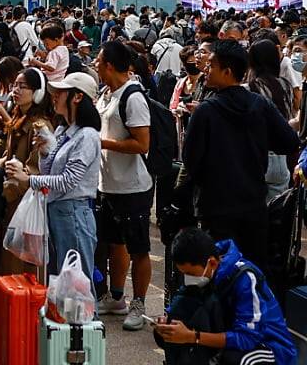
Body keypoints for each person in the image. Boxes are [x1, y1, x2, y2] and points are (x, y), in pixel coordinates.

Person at [172, 40, 300, 270]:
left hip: (215, 209)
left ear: (227, 71)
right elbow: (289, 141)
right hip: (253, 205)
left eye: (212, 65)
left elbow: (191, 162)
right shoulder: (259, 105)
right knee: (251, 272)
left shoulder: (206, 111)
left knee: (218, 272)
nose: (206, 69)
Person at [7, 72, 100, 290]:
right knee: (59, 283)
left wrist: (29, 180)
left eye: (61, 92)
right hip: (57, 211)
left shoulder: (87, 135)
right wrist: (45, 152)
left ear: (77, 97)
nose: (55, 96)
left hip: (74, 214)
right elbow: (49, 169)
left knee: (76, 287)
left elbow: (68, 181)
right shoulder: (62, 130)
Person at [156, 228, 297, 365]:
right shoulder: (202, 269)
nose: (188, 279)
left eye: (191, 274)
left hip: (268, 346)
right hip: (227, 332)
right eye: (184, 274)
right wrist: (166, 322)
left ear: (212, 263)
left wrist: (193, 337)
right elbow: (182, 303)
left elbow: (247, 338)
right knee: (174, 334)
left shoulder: (245, 278)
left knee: (235, 360)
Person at [93, 39, 154, 330]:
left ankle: (138, 303)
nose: (95, 65)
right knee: (115, 244)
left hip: (133, 187)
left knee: (138, 248)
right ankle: (116, 298)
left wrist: (102, 143)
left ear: (108, 65)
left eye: (98, 60)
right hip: (108, 184)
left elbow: (142, 144)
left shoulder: (133, 96)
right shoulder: (106, 94)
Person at [0, 67, 53, 275]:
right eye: (15, 85)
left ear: (38, 92)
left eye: (23, 86)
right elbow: (7, 154)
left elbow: (35, 169)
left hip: (23, 201)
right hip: (11, 199)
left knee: (20, 267)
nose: (15, 90)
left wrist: (3, 192)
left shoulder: (40, 126)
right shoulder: (19, 118)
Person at [246, 40, 294, 201]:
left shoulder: (249, 89)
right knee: (277, 209)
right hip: (281, 159)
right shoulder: (286, 85)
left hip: (255, 158)